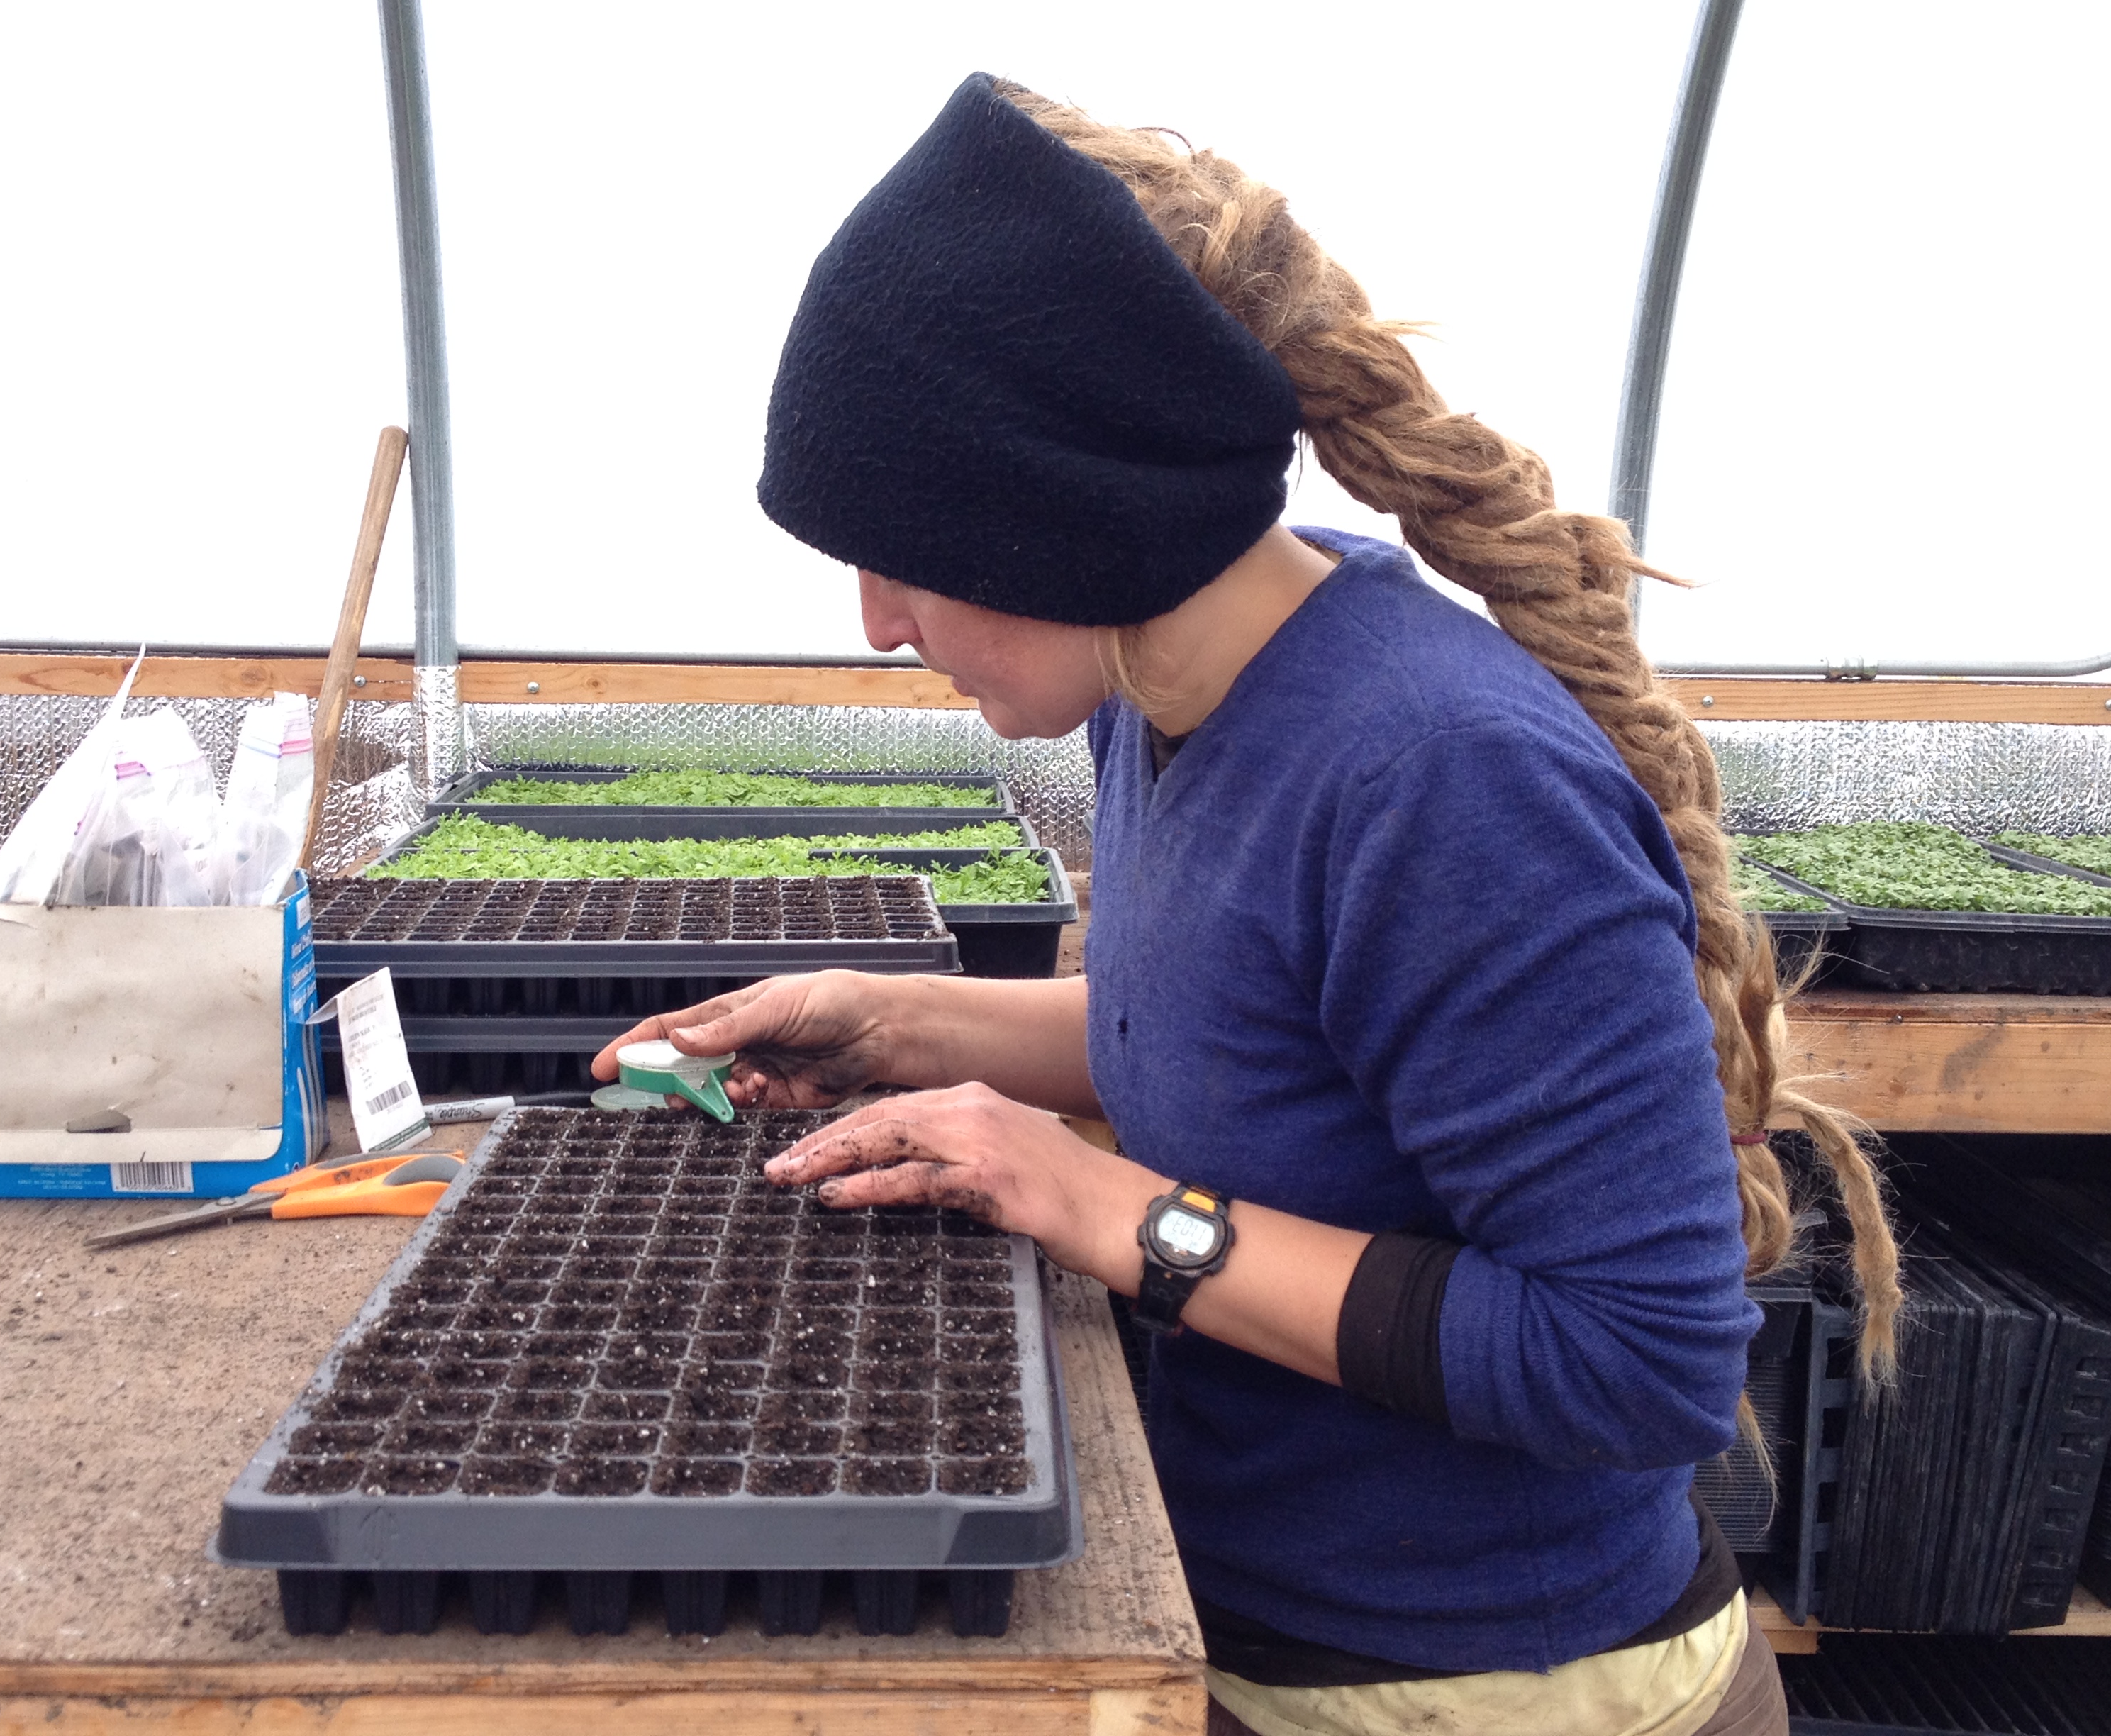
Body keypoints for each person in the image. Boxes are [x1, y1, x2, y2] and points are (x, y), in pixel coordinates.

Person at [596, 73, 1899, 1736]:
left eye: (904, 551)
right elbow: (1246, 1034)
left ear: (1061, 512)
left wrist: (1109, 1209)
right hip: (1254, 1625)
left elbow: (1639, 1360)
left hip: (1495, 1691)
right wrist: (897, 1024)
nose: (876, 624)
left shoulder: (1441, 777)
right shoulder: (1164, 698)